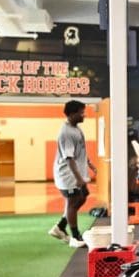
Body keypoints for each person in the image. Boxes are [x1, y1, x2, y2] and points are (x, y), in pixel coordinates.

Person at [49, 100, 96, 248]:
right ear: (71, 114)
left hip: (76, 173)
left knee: (83, 196)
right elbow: (69, 158)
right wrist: (79, 179)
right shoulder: (66, 133)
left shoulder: (76, 129)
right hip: (68, 175)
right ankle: (75, 237)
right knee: (73, 202)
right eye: (81, 113)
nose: (84, 115)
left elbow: (80, 150)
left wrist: (90, 164)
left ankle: (60, 226)